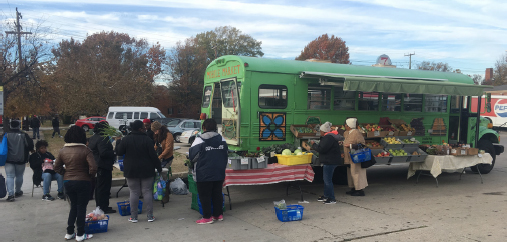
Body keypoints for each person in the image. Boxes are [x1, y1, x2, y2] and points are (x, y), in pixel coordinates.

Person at [54, 126, 97, 241]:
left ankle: (69, 232)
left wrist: (66, 173)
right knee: (81, 207)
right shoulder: (86, 150)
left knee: (73, 206)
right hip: (83, 181)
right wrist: (89, 176)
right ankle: (80, 233)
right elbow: (93, 167)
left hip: (68, 181)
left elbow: (56, 167)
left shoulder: (63, 150)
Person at [116, 120, 161, 223]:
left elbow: (119, 152)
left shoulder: (126, 139)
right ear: (140, 129)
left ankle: (134, 216)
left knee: (134, 192)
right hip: (147, 169)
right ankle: (150, 216)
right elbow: (153, 156)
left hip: (131, 169)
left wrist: (118, 142)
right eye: (143, 127)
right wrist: (158, 167)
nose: (145, 129)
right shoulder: (147, 140)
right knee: (147, 191)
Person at [189, 119, 228, 224]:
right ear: (215, 127)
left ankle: (207, 217)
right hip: (219, 172)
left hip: (203, 173)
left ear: (204, 128)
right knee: (217, 194)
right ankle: (218, 215)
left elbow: (192, 157)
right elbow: (226, 154)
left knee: (205, 195)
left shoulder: (199, 139)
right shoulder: (222, 139)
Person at [309, 121, 343, 204]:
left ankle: (331, 198)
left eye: (320, 131)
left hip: (330, 161)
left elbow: (321, 149)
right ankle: (326, 195)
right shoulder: (330, 137)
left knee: (327, 180)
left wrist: (313, 145)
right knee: (326, 180)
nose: (319, 132)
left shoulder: (328, 138)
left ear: (323, 131)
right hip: (330, 160)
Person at [88, 122, 116, 214]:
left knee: (99, 187)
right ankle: (103, 207)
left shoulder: (92, 138)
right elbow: (103, 153)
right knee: (104, 188)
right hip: (103, 166)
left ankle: (100, 206)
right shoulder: (103, 139)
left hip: (97, 165)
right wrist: (113, 152)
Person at [4, 120, 35, 202]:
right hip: (21, 159)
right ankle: (18, 191)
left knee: (10, 176)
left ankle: (10, 195)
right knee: (19, 175)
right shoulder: (24, 135)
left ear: (10, 126)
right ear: (19, 126)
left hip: (8, 159)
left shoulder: (6, 135)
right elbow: (30, 145)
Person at [343, 118, 368, 196]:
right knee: (351, 173)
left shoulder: (357, 133)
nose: (345, 126)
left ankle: (360, 190)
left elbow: (362, 144)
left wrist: (350, 145)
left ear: (349, 126)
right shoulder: (348, 132)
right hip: (349, 157)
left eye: (346, 125)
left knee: (357, 173)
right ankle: (354, 188)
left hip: (356, 156)